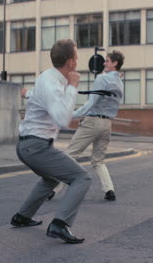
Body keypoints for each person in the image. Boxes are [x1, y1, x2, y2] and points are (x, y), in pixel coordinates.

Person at [10, 39, 92, 244]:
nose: (78, 61)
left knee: (50, 179)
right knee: (82, 178)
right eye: (77, 57)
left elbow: (50, 104)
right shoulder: (53, 82)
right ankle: (60, 224)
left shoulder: (49, 78)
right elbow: (62, 119)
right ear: (72, 62)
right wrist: (73, 85)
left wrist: (85, 109)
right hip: (35, 146)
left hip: (30, 145)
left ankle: (22, 217)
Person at [48, 51, 124, 202]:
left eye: (107, 61)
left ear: (115, 63)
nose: (104, 63)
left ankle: (53, 190)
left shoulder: (102, 79)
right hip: (107, 124)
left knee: (70, 154)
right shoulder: (119, 82)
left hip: (93, 122)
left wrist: (71, 114)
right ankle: (109, 189)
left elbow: (91, 103)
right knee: (98, 160)